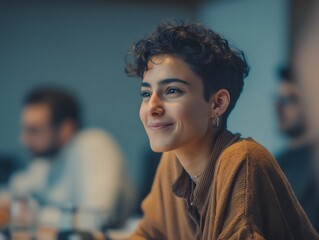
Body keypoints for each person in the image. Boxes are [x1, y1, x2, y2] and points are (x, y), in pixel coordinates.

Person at [124, 20, 319, 239]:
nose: (152, 108)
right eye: (146, 94)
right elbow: (149, 234)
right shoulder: (172, 159)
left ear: (217, 104)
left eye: (172, 90)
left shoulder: (241, 160)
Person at [3, 87, 131, 230]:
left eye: (34, 131)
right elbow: (16, 191)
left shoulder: (94, 145)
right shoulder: (47, 159)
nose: (24, 140)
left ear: (66, 129)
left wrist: (33, 216)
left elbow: (97, 218)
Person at [275, 66, 319, 232]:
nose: (278, 107)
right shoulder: (275, 163)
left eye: (289, 99)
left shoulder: (313, 161)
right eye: (278, 99)